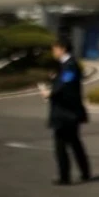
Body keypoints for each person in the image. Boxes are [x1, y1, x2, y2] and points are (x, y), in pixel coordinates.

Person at [40, 37, 91, 185]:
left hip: (66, 112)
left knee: (61, 145)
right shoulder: (65, 65)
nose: (53, 52)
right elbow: (62, 82)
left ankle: (65, 176)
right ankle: (85, 172)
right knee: (75, 143)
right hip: (68, 112)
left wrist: (50, 93)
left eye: (54, 48)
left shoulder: (70, 65)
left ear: (62, 48)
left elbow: (66, 84)